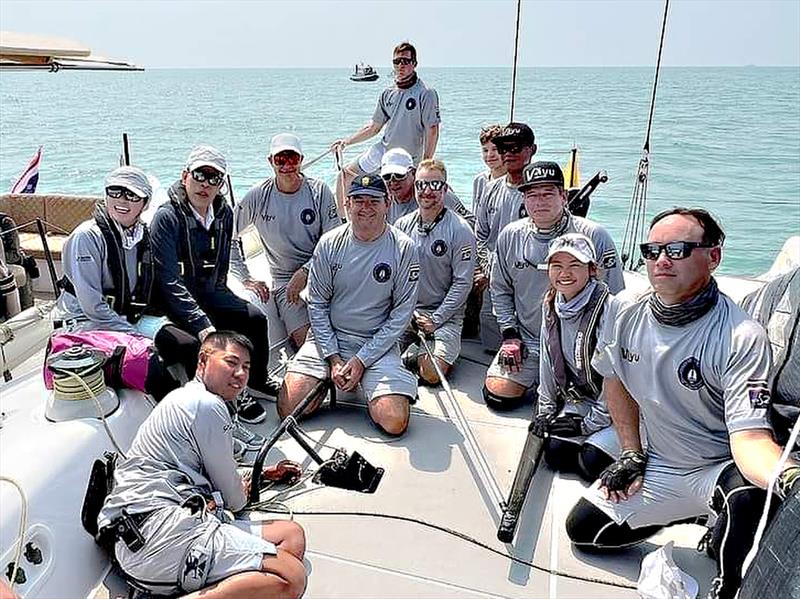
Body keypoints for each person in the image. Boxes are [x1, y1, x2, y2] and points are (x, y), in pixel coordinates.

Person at [565, 208, 799, 599]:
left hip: (719, 467)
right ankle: (696, 513)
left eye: (677, 249)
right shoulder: (624, 310)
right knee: (585, 531)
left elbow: (752, 439)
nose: (661, 260)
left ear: (713, 256)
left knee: (746, 497)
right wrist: (631, 453)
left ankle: (728, 578)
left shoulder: (741, 335)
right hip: (660, 462)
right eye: (652, 250)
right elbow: (614, 377)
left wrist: (789, 478)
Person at [98, 331, 307, 599]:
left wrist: (264, 475)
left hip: (161, 527)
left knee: (291, 535)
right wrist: (235, 492)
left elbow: (212, 475)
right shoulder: (206, 405)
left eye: (246, 367)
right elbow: (234, 501)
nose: (240, 374)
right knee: (291, 577)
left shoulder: (187, 399)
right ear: (203, 361)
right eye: (231, 363)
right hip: (155, 536)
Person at [279, 174, 419, 436]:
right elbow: (317, 304)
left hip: (377, 343)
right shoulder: (329, 243)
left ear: (387, 204)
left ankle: (375, 382)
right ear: (347, 205)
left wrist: (362, 361)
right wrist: (333, 359)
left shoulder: (404, 248)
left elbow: (401, 314)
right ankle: (327, 378)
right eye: (358, 201)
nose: (365, 207)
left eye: (374, 201)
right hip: (329, 339)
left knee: (394, 422)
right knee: (288, 408)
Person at [483, 161, 623, 410]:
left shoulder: (595, 236)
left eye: (548, 193)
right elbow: (500, 288)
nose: (540, 202)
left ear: (564, 196)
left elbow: (616, 299)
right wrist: (510, 335)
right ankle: (546, 381)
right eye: (532, 195)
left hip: (582, 346)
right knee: (497, 396)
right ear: (523, 199)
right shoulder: (510, 235)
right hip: (530, 341)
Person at [53, 166, 199, 399]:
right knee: (154, 368)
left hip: (126, 317)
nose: (122, 200)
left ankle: (211, 410)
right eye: (115, 191)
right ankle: (176, 425)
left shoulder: (144, 235)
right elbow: (93, 308)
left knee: (188, 345)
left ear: (145, 203)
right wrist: (135, 336)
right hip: (86, 324)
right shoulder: (87, 237)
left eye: (132, 195)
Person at [150, 146, 272, 424]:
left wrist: (240, 285)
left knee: (255, 318)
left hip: (210, 292)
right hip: (173, 302)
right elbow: (169, 281)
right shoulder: (166, 217)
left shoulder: (224, 213)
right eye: (199, 175)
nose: (205, 184)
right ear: (185, 176)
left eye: (214, 178)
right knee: (202, 341)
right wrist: (201, 321)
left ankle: (258, 381)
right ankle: (230, 395)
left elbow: (223, 260)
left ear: (221, 184)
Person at [230, 132, 341, 350]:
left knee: (349, 327)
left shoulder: (320, 192)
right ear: (270, 161)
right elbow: (228, 238)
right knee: (308, 344)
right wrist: (244, 277)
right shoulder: (257, 196)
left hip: (327, 273)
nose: (287, 165)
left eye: (293, 158)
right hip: (285, 284)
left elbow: (334, 243)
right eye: (281, 159)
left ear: (301, 159)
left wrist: (307, 271)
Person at [531, 233, 620, 481]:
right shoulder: (550, 303)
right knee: (556, 454)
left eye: (574, 266)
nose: (565, 273)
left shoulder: (609, 308)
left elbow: (615, 376)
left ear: (592, 270)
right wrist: (545, 411)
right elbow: (548, 361)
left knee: (591, 463)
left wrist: (589, 424)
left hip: (617, 404)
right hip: (582, 397)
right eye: (557, 266)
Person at [394, 159, 477, 385]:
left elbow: (462, 283)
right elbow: (395, 278)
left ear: (446, 188)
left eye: (435, 185)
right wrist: (407, 313)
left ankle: (423, 354)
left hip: (446, 316)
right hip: (407, 313)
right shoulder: (401, 226)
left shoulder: (461, 230)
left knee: (431, 375)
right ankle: (414, 352)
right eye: (421, 185)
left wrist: (436, 319)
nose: (427, 191)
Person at [332, 42, 441, 211]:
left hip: (408, 158)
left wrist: (425, 163)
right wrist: (345, 142)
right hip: (383, 150)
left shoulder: (426, 93)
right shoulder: (387, 93)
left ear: (414, 63)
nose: (400, 65)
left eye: (405, 61)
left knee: (395, 199)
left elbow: (432, 130)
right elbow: (374, 127)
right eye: (397, 62)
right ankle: (344, 224)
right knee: (344, 176)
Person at [475, 122, 537, 351]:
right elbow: (480, 234)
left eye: (516, 148)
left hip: (529, 278)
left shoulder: (539, 192)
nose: (508, 154)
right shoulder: (490, 189)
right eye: (503, 148)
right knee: (492, 346)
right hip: (494, 276)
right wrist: (489, 266)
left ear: (532, 150)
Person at [464, 123, 506, 339]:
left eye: (495, 150)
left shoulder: (514, 183)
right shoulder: (480, 181)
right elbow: (476, 223)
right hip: (482, 250)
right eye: (485, 150)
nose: (490, 155)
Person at [380, 148, 474, 227]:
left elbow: (471, 222)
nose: (393, 182)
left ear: (413, 173)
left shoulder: (436, 193)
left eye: (399, 175)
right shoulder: (382, 201)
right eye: (387, 177)